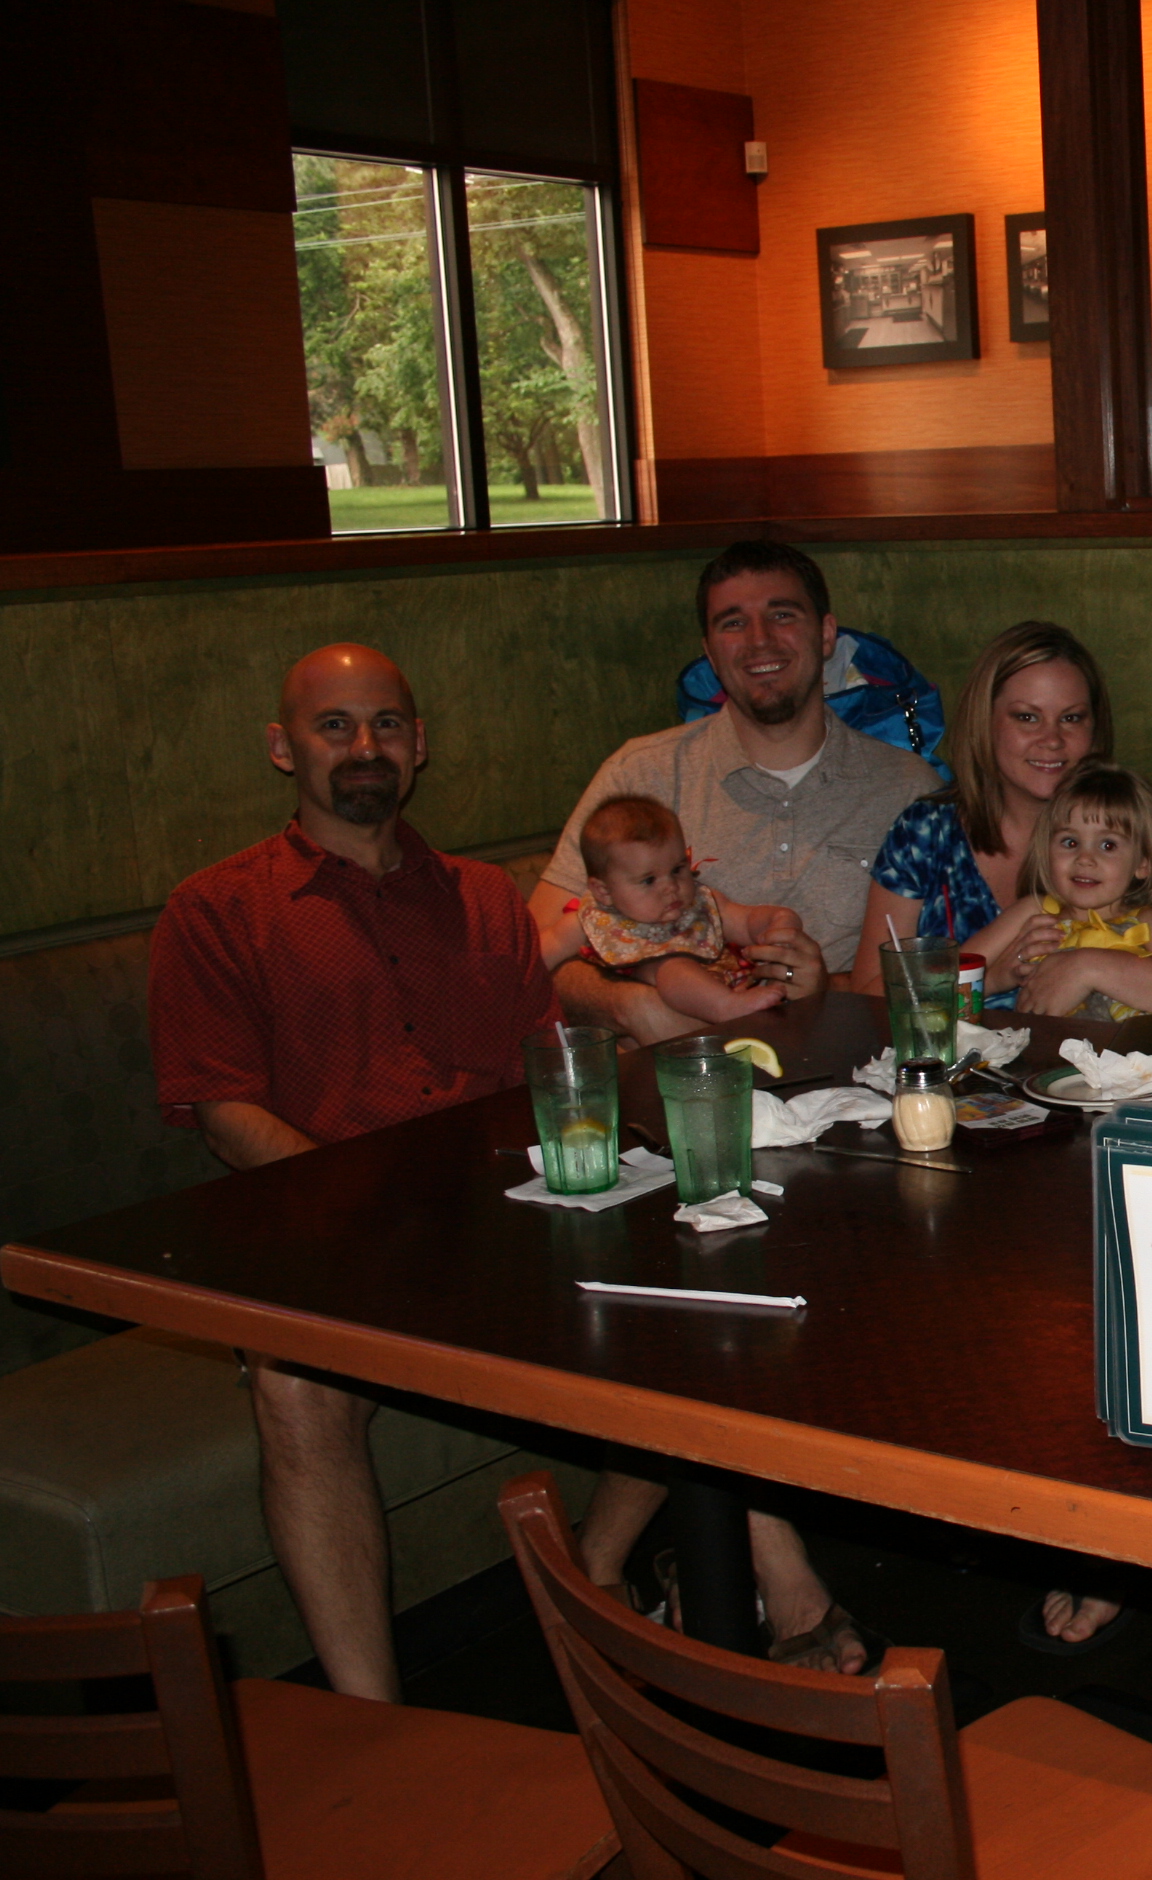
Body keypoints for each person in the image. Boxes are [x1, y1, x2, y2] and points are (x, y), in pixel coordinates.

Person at [147, 644, 560, 1702]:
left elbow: (547, 1073)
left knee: (705, 1299)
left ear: (419, 746)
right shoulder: (216, 910)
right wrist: (368, 1210)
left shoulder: (485, 898)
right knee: (295, 1384)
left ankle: (612, 1582)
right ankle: (373, 1717)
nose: (364, 745)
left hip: (503, 1218)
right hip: (330, 1232)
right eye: (334, 725)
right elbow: (224, 1115)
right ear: (283, 748)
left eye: (386, 723)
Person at [530, 540, 922, 1041]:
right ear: (710, 652)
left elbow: (936, 976)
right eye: (733, 623)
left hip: (842, 1063)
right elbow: (533, 959)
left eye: (782, 615)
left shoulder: (909, 789)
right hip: (664, 1077)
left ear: (826, 634)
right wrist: (634, 1008)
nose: (760, 640)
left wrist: (827, 988)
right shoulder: (639, 773)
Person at [857, 620, 1152, 1008]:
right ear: (985, 721)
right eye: (1026, 717)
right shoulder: (925, 833)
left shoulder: (1143, 834)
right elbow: (871, 1000)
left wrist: (1089, 967)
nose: (1052, 739)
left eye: (1071, 718)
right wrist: (991, 979)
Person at [534, 794, 801, 1026]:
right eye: (649, 880)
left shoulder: (701, 902)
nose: (671, 887)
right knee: (671, 966)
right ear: (603, 891)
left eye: (677, 869)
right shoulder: (589, 922)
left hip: (731, 994)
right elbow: (535, 958)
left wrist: (775, 922)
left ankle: (731, 1005)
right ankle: (726, 1006)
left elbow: (745, 920)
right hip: (654, 1020)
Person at [966, 760, 1152, 1020]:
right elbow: (947, 981)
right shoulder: (1035, 912)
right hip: (1043, 1045)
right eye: (1070, 842)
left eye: (1108, 845)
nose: (1084, 858)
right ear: (1046, 850)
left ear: (1143, 863)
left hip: (1130, 1047)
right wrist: (995, 980)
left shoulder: (1148, 923)